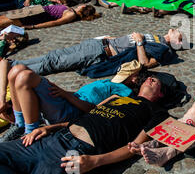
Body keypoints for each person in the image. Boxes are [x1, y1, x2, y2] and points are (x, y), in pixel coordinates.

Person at [0, 69, 173, 174]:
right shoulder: (117, 97)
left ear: (162, 93)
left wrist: (95, 161)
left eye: (155, 80)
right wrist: (51, 127)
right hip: (53, 138)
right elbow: (89, 116)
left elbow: (134, 147)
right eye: (149, 77)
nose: (150, 79)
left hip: (77, 154)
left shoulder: (158, 113)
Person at [0, 60, 142, 142]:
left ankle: (29, 131)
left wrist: (66, 95)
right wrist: (64, 92)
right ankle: (19, 124)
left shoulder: (124, 91)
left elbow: (96, 111)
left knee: (25, 77)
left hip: (71, 112)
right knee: (16, 70)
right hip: (67, 100)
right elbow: (78, 94)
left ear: (134, 79)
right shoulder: (108, 82)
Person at [10, 29, 184, 76]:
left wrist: (139, 42)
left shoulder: (163, 49)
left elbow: (145, 64)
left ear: (178, 42)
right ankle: (12, 65)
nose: (174, 29)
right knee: (53, 56)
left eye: (178, 32)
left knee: (53, 63)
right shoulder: (157, 36)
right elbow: (126, 39)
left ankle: (12, 70)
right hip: (99, 43)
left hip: (102, 53)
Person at [0, 4, 100, 31]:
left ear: (83, 7)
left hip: (34, 16)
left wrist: (33, 26)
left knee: (2, 22)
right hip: (34, 10)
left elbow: (55, 23)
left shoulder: (71, 15)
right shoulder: (70, 10)